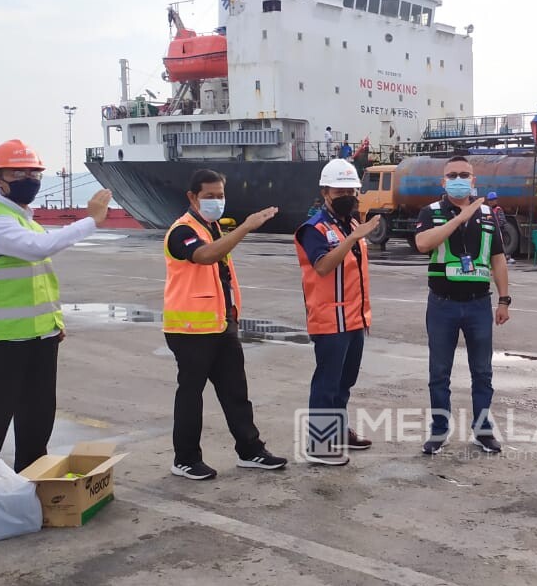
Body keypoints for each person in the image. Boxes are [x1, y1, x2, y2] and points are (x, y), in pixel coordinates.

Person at [0, 140, 113, 473]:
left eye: (33, 173)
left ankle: (32, 479)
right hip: (2, 340)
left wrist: (53, 324)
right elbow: (39, 248)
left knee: (37, 417)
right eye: (18, 173)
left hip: (39, 339)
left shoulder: (26, 220)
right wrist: (90, 221)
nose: (29, 179)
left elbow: (38, 281)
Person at [163, 169, 286, 480]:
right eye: (210, 196)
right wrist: (245, 227)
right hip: (190, 329)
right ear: (192, 197)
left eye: (220, 196)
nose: (217, 201)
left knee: (236, 392)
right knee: (191, 395)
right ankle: (185, 459)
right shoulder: (182, 231)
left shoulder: (212, 227)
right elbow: (204, 257)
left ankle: (250, 450)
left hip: (221, 324)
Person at [414, 156, 511, 455]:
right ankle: (439, 430)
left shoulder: (488, 215)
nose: (459, 179)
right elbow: (422, 243)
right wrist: (459, 218)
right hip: (442, 305)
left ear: (473, 180)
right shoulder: (430, 212)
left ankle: (483, 430)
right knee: (439, 372)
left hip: (478, 305)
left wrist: (504, 299)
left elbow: (498, 259)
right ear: (443, 182)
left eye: (464, 175)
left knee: (482, 372)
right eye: (453, 175)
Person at [295, 159, 382, 466]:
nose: (347, 196)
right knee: (326, 383)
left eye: (351, 191)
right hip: (330, 319)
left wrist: (353, 235)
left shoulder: (351, 224)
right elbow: (322, 266)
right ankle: (319, 444)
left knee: (345, 382)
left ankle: (339, 430)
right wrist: (352, 239)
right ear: (325, 192)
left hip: (355, 318)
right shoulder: (314, 229)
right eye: (339, 191)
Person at [487, 192, 513, 263]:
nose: (491, 202)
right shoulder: (489, 210)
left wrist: (496, 226)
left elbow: (502, 221)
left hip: (498, 232)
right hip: (491, 231)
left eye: (492, 200)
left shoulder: (498, 209)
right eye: (489, 200)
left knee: (500, 246)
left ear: (496, 200)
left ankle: (505, 258)